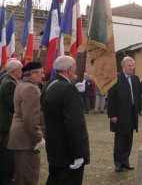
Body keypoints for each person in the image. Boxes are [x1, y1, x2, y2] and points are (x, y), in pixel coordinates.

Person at [43, 55, 90, 185]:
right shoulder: (69, 89)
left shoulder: (49, 85)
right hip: (68, 153)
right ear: (70, 69)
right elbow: (74, 124)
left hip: (54, 149)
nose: (75, 71)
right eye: (74, 68)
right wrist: (78, 154)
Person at [7, 62, 45, 185]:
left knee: (21, 176)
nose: (43, 76)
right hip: (26, 139)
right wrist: (38, 138)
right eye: (41, 73)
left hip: (20, 138)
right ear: (32, 74)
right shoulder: (30, 88)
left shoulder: (21, 84)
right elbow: (30, 118)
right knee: (28, 177)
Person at [107, 56, 140, 172]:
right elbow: (111, 98)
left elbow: (137, 97)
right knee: (120, 140)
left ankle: (125, 161)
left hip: (132, 114)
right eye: (129, 66)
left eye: (133, 65)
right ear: (123, 66)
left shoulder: (136, 79)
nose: (132, 68)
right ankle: (118, 163)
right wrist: (112, 115)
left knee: (129, 139)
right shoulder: (115, 78)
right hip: (120, 115)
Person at [0, 59, 22, 185]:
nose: (22, 71)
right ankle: (6, 178)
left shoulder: (9, 80)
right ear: (14, 70)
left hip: (7, 122)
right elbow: (14, 105)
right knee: (7, 153)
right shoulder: (9, 83)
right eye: (20, 69)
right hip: (7, 123)